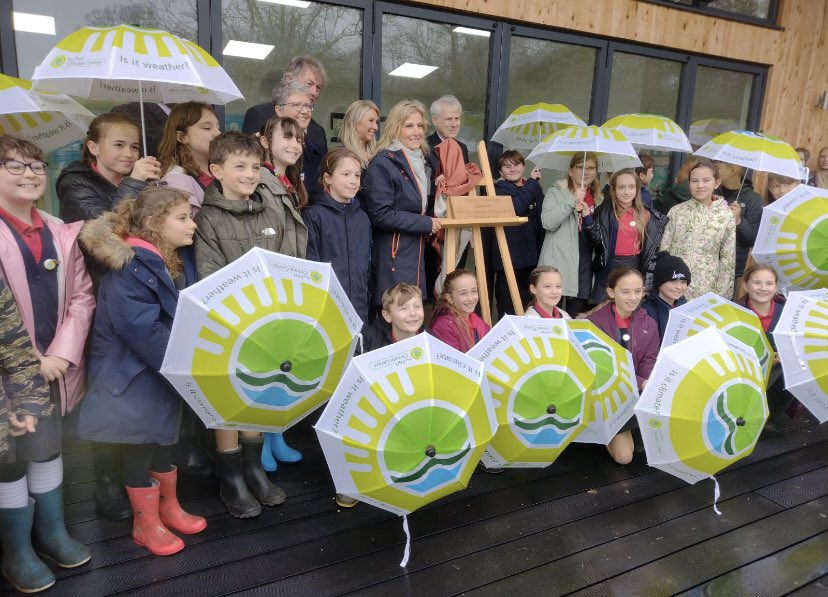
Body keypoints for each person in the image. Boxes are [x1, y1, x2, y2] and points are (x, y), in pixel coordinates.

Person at [76, 186, 206, 556]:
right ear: (152, 223)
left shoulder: (159, 260)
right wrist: (182, 362)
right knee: (139, 446)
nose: (192, 225)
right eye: (182, 218)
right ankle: (145, 525)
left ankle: (168, 508)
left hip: (152, 374)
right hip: (131, 377)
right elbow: (141, 329)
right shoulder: (130, 267)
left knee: (161, 441)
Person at [0, 136, 95, 590]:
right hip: (7, 377)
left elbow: (82, 297)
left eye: (37, 165)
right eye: (15, 166)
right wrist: (28, 361)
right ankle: (17, 551)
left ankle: (52, 534)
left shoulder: (61, 232)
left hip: (55, 369)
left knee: (48, 448)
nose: (31, 174)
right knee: (9, 461)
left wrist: (60, 353)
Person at [194, 131, 290, 519]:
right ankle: (231, 478)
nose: (250, 174)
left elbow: (283, 262)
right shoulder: (208, 217)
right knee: (228, 400)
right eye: (240, 167)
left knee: (257, 394)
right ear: (216, 170)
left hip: (267, 323)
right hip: (229, 325)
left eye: (254, 166)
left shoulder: (270, 210)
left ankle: (253, 470)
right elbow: (208, 274)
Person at [363, 99, 441, 308]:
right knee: (396, 312)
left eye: (420, 125)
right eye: (409, 126)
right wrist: (425, 223)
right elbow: (380, 214)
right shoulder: (383, 163)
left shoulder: (422, 161)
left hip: (415, 251)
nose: (416, 132)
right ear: (395, 128)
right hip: (393, 255)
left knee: (411, 313)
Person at [589, 267, 659, 465]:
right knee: (624, 458)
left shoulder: (649, 323)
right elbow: (602, 369)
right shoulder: (594, 324)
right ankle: (601, 430)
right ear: (611, 292)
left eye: (638, 291)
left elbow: (649, 360)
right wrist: (641, 382)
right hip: (607, 395)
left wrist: (649, 383)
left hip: (637, 393)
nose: (633, 297)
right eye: (625, 291)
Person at [303, 147, 371, 323]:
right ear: (327, 178)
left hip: (358, 309)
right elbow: (310, 267)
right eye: (346, 174)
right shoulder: (314, 216)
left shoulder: (363, 218)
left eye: (357, 175)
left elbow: (366, 268)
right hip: (325, 309)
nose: (353, 181)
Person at [56, 112, 161, 225]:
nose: (129, 154)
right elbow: (106, 228)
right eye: (119, 145)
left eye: (134, 147)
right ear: (93, 148)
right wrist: (134, 183)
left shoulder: (141, 180)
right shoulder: (74, 183)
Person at [584, 168, 668, 303]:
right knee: (604, 309)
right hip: (609, 266)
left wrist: (647, 282)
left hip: (633, 266)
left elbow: (651, 254)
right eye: (621, 187)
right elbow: (596, 238)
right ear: (613, 190)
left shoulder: (647, 215)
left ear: (637, 189)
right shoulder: (605, 210)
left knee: (627, 305)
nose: (627, 192)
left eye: (631, 187)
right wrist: (587, 216)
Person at [659, 159, 736, 300]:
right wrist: (662, 280)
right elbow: (664, 249)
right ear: (689, 183)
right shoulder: (677, 211)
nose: (700, 185)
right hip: (674, 284)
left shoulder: (726, 216)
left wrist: (721, 295)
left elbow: (728, 259)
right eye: (695, 181)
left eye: (706, 180)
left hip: (705, 289)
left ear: (716, 183)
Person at [539, 152, 602, 317]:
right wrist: (571, 200)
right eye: (580, 167)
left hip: (585, 263)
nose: (585, 172)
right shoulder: (555, 192)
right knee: (552, 318)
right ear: (570, 170)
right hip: (558, 262)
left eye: (591, 168)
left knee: (576, 318)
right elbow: (548, 222)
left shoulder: (599, 198)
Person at [735, 264, 792, 430]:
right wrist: (764, 359)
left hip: (777, 378)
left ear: (776, 287)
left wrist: (784, 355)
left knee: (792, 368)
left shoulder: (787, 312)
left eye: (769, 283)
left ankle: (770, 417)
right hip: (744, 375)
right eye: (757, 282)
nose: (763, 288)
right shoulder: (735, 313)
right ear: (745, 285)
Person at [241, 55, 329, 154]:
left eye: (318, 88)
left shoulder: (319, 132)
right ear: (288, 79)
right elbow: (247, 156)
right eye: (309, 84)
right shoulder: (259, 115)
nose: (314, 92)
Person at [491, 150, 543, 315]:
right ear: (500, 172)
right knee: (508, 307)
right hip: (509, 259)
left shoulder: (533, 186)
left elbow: (542, 216)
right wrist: (532, 183)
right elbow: (515, 209)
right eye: (507, 166)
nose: (513, 169)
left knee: (529, 306)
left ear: (523, 166)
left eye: (516, 164)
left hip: (531, 259)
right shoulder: (498, 190)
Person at [258, 115, 309, 259]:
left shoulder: (289, 182)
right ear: (265, 141)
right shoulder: (258, 183)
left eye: (299, 140)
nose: (295, 145)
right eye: (288, 137)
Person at [158, 102, 222, 217]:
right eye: (207, 128)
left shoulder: (223, 170)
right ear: (182, 137)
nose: (218, 133)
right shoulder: (175, 182)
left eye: (218, 127)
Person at [270, 79, 325, 202]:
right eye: (296, 105)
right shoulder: (262, 147)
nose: (305, 111)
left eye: (308, 106)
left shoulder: (317, 153)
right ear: (279, 110)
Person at [713, 161, 763, 296]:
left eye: (717, 168)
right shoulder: (711, 191)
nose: (713, 171)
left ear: (732, 170)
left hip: (730, 266)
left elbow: (752, 239)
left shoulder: (753, 199)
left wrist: (739, 221)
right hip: (704, 261)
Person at [430, 269, 490, 352]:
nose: (470, 298)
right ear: (450, 298)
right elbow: (452, 357)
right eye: (463, 293)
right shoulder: (444, 325)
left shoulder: (475, 319)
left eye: (474, 291)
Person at [641, 252, 691, 342]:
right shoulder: (647, 311)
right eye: (673, 281)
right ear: (659, 284)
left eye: (683, 282)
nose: (679, 287)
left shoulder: (685, 305)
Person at [362, 283, 425, 352]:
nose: (413, 313)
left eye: (417, 306)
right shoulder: (368, 343)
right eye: (404, 308)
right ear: (387, 316)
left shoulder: (431, 340)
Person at [428, 95, 469, 163]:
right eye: (449, 119)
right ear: (435, 120)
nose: (454, 124)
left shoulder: (462, 148)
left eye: (457, 118)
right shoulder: (425, 148)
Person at [340, 100, 380, 168]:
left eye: (376, 122)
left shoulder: (379, 154)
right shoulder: (341, 156)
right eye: (371, 120)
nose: (376, 127)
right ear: (354, 122)